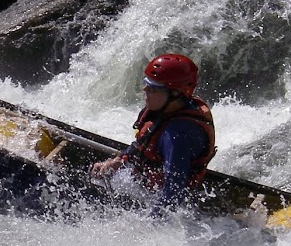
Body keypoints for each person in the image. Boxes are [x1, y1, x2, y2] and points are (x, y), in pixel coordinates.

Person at [91, 52, 216, 216]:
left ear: (175, 94)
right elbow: (143, 141)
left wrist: (152, 224)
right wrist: (119, 161)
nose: (145, 90)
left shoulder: (177, 135)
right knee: (93, 176)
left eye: (153, 88)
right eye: (146, 83)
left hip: (153, 198)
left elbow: (173, 190)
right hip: (142, 181)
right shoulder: (167, 109)